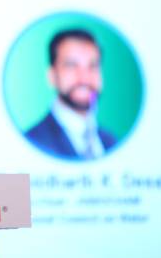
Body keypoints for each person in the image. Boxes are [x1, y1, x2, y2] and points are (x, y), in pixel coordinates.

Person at [25, 29, 116, 160]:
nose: (84, 78)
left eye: (92, 66)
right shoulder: (31, 144)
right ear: (52, 76)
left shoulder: (112, 142)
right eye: (71, 66)